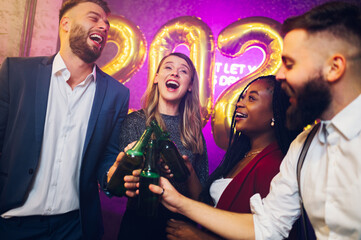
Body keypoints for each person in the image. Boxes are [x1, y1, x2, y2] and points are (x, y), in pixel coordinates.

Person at [148, 1, 361, 239]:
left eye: (290, 64)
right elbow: (268, 226)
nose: (280, 75)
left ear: (334, 68)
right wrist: (178, 201)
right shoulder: (303, 147)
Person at [0, 1, 129, 239]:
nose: (103, 26)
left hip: (74, 228)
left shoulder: (117, 94)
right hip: (12, 224)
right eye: (94, 18)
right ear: (65, 24)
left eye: (107, 23)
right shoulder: (17, 73)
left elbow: (106, 157)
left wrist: (115, 174)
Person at [162, 75, 300, 239]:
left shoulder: (275, 166)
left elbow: (264, 233)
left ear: (275, 113)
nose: (239, 103)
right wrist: (189, 173)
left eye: (252, 99)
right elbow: (214, 209)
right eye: (242, 98)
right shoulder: (243, 154)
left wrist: (200, 237)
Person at [106, 52, 208, 240]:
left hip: (179, 230)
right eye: (168, 67)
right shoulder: (135, 122)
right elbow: (120, 186)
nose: (175, 73)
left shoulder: (194, 132)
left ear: (190, 86)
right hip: (138, 228)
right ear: (156, 78)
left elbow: (201, 198)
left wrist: (187, 172)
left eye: (183, 71)